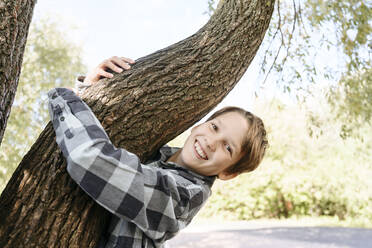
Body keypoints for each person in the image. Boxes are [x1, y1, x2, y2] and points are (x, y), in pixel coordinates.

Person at [47, 56, 268, 248]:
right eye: (214, 127)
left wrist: (65, 98)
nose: (212, 142)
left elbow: (89, 159)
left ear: (228, 173)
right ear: (197, 125)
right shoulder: (155, 153)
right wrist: (91, 90)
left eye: (228, 147)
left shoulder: (185, 196)